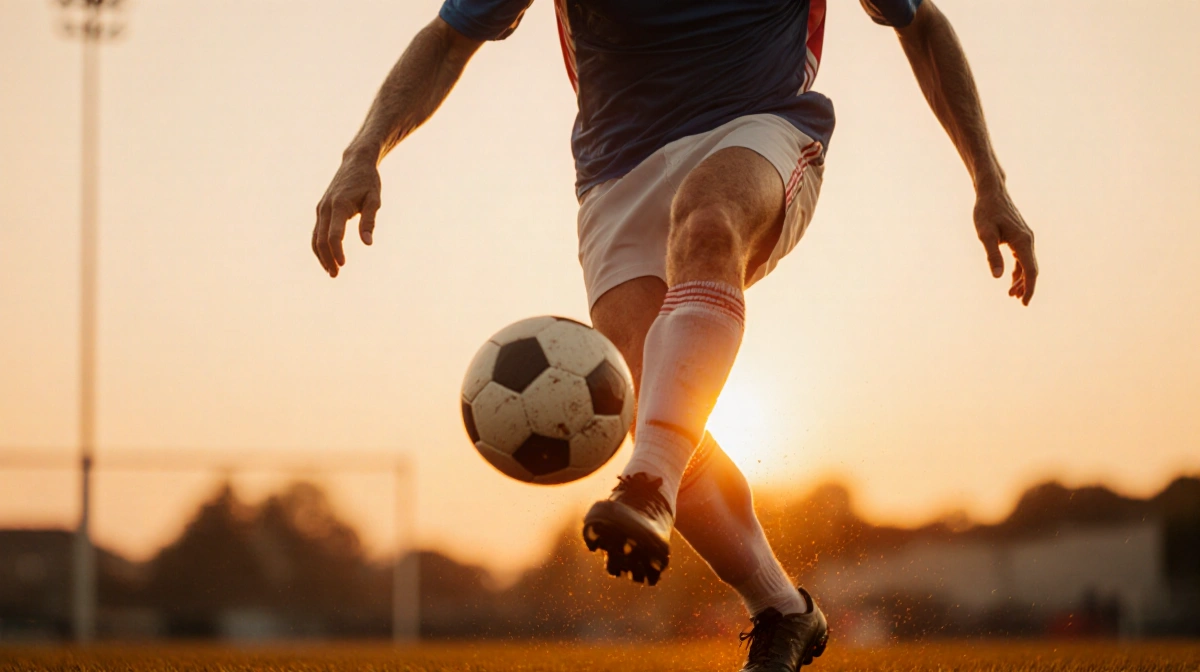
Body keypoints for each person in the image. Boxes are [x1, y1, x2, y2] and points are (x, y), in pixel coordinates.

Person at [311, 0, 1038, 668]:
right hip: (614, 175)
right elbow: (450, 38)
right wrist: (362, 153)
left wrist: (990, 182)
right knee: (650, 398)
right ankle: (782, 609)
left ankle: (650, 483)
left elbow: (921, 25)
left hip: (760, 129)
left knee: (709, 224)